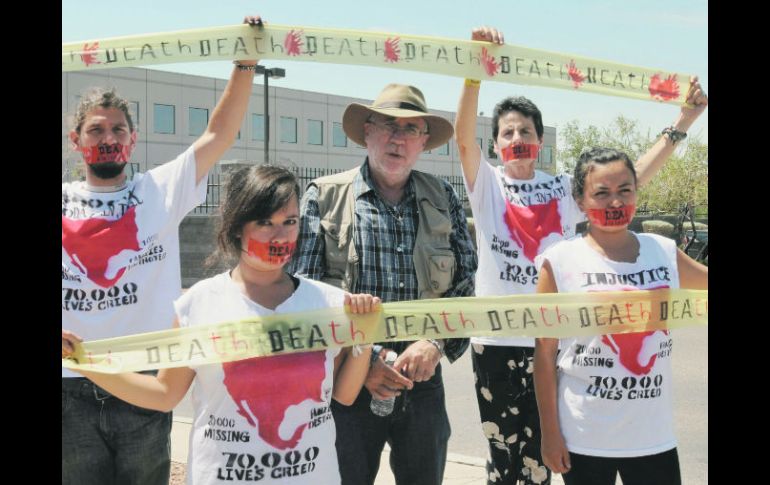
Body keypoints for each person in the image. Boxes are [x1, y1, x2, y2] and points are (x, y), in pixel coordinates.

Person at [454, 26, 708, 485]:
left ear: (540, 139)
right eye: (507, 132)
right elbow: (463, 140)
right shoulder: (487, 185)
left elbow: (633, 177)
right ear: (495, 145)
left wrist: (682, 124)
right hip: (498, 344)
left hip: (557, 347)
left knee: (557, 459)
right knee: (508, 466)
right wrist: (475, 70)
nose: (517, 138)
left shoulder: (561, 187)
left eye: (526, 131)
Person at [62, 165, 381, 485]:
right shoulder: (200, 303)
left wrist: (362, 338)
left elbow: (344, 395)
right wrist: (86, 364)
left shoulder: (327, 303)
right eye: (265, 222)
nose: (280, 235)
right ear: (237, 227)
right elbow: (164, 394)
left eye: (290, 222)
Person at [61, 15, 266, 485]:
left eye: (117, 130)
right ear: (77, 142)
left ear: (132, 140)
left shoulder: (160, 190)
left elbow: (219, 135)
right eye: (96, 130)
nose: (108, 138)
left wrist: (245, 62)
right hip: (70, 382)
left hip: (146, 378)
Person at [287, 83, 478, 485]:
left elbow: (465, 283)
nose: (398, 138)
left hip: (422, 381)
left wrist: (435, 343)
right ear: (367, 131)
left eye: (411, 129)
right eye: (389, 125)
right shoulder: (322, 197)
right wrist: (367, 359)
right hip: (347, 382)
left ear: (423, 142)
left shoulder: (444, 197)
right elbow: (302, 293)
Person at [532, 147, 708, 485]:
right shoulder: (559, 262)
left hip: (652, 437)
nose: (615, 203)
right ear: (581, 202)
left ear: (637, 194)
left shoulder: (664, 252)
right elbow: (544, 356)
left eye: (624, 191)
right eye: (602, 193)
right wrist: (549, 434)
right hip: (583, 436)